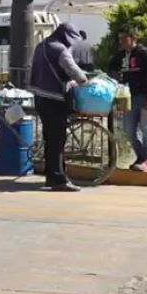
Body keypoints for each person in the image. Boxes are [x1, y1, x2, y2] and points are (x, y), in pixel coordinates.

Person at [30, 23, 90, 192]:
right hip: (55, 99)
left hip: (40, 98)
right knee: (57, 140)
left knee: (50, 139)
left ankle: (52, 176)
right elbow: (75, 72)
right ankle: (58, 179)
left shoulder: (41, 46)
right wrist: (84, 81)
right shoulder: (60, 50)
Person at [115, 26, 147, 171]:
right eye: (119, 38)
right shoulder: (121, 55)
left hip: (145, 96)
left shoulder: (145, 54)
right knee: (129, 129)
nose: (121, 41)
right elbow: (112, 70)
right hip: (129, 97)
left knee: (146, 127)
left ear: (133, 38)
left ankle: (146, 158)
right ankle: (141, 155)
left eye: (124, 38)